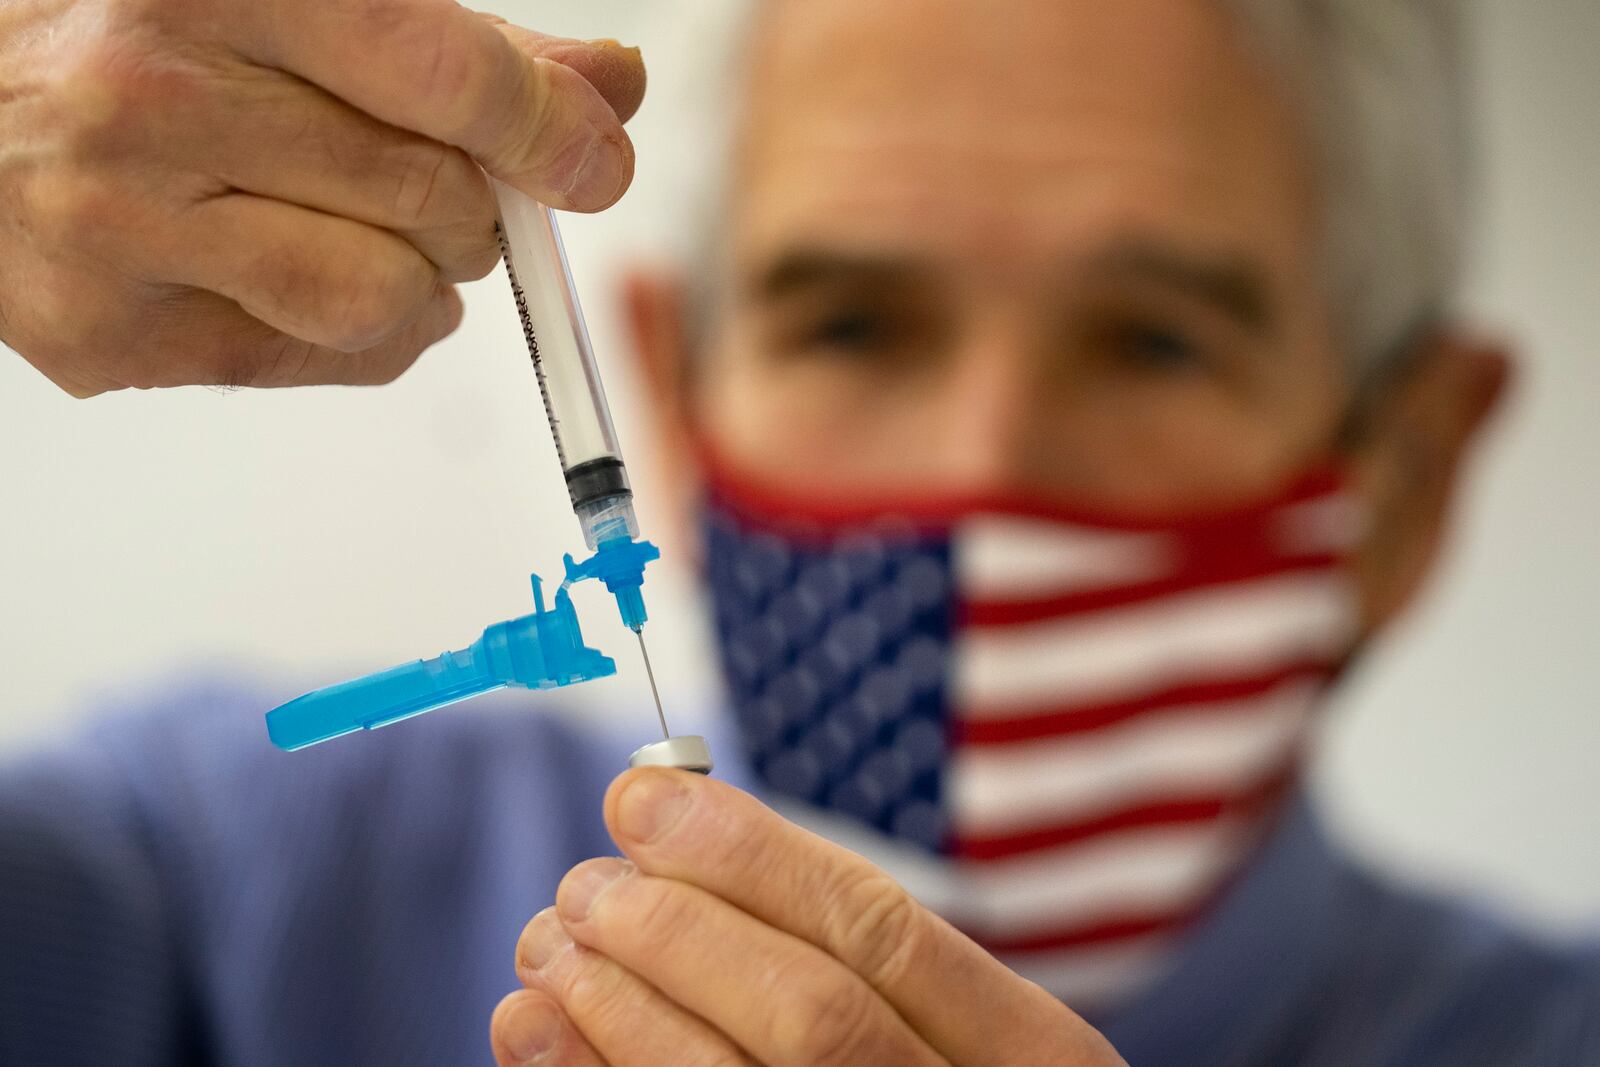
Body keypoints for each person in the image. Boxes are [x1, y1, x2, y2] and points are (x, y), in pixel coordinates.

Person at [0, 0, 1595, 1064]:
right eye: (855, 327)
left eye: (1154, 343)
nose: (983, 469)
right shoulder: (228, 885)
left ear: (1408, 472)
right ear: (680, 415)